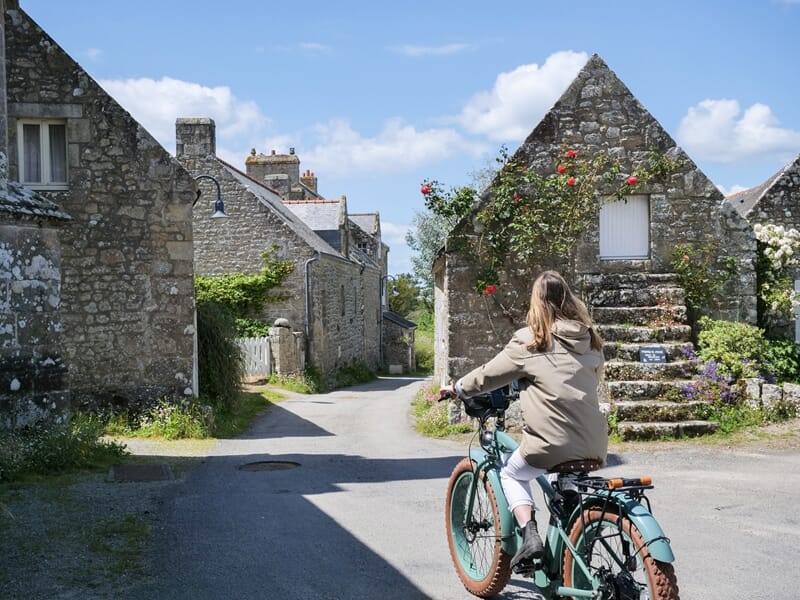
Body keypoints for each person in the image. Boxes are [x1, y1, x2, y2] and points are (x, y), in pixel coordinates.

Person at [440, 270, 608, 571]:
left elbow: (488, 375)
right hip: (594, 441)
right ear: (568, 299)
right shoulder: (591, 339)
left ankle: (530, 536)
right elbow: (588, 382)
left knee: (511, 474)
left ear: (537, 302)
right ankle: (569, 556)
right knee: (563, 489)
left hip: (551, 444)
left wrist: (457, 388)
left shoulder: (532, 340)